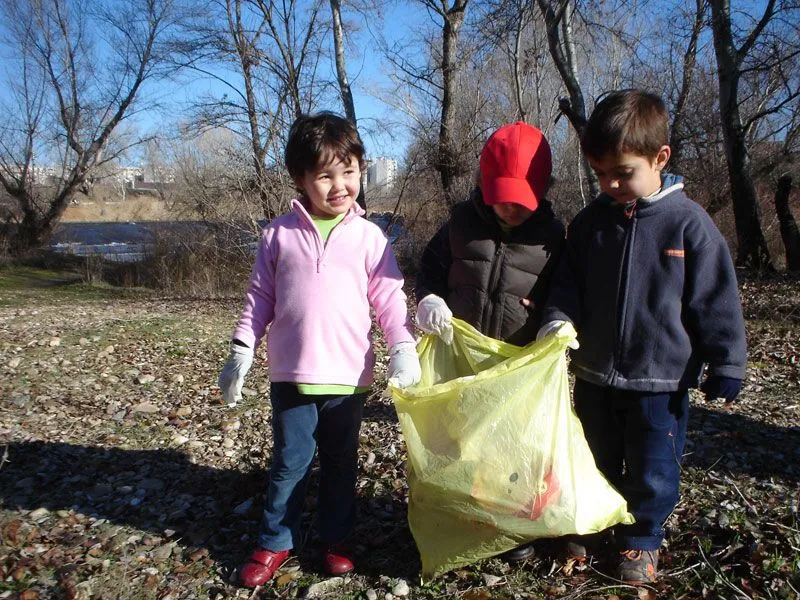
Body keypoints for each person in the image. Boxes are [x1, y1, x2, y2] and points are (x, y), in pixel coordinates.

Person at [538, 90, 747, 584]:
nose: (611, 183)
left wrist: (727, 361)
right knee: (593, 455)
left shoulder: (688, 224)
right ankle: (589, 523)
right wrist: (557, 318)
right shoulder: (592, 223)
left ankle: (641, 539)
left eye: (623, 172)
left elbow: (716, 298)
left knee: (654, 466)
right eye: (601, 173)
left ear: (660, 158)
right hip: (594, 372)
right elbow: (568, 280)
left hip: (661, 378)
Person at [218, 112, 421, 588]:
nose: (339, 185)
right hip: (291, 376)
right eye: (325, 174)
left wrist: (402, 346)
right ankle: (275, 540)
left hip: (348, 378)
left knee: (339, 464)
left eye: (348, 171)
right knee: (289, 463)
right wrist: (242, 347)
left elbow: (389, 298)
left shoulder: (371, 238)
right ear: (300, 178)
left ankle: (336, 538)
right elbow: (259, 298)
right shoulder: (278, 235)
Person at [415, 121, 566, 561]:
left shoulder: (552, 237)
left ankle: (517, 527)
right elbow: (430, 268)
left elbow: (563, 287)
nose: (509, 209)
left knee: (518, 449)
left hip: (518, 360)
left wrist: (552, 318)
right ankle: (473, 517)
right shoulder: (460, 224)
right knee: (470, 445)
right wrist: (429, 299)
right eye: (501, 197)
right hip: (464, 358)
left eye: (520, 201)